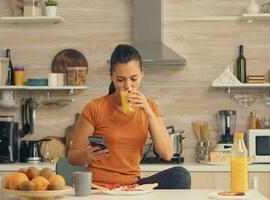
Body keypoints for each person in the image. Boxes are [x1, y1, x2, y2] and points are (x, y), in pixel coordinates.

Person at [68, 44, 191, 189]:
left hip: (131, 187)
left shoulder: (150, 107)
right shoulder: (94, 108)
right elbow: (73, 157)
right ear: (111, 77)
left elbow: (167, 154)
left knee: (180, 175)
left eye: (134, 78)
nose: (128, 86)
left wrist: (149, 113)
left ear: (142, 74)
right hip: (99, 188)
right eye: (121, 80)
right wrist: (85, 155)